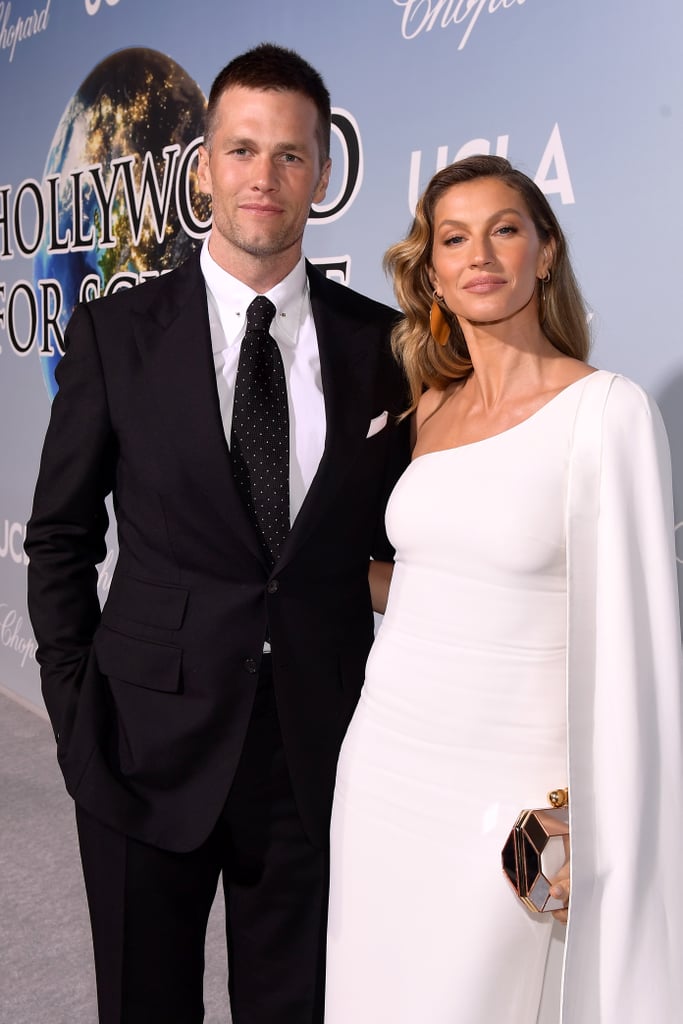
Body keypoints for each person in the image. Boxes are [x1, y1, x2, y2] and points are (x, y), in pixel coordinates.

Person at [24, 43, 409, 1024]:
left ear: (321, 173)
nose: (263, 177)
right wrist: (78, 727)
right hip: (140, 751)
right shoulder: (117, 336)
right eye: (241, 149)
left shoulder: (380, 347)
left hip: (315, 764)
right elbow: (61, 538)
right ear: (202, 165)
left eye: (289, 155)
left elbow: (405, 552)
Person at [324, 154, 683, 1023]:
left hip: (509, 804)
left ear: (545, 253)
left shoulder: (606, 412)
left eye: (505, 229)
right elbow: (423, 587)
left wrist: (587, 821)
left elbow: (639, 646)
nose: (479, 253)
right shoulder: (428, 408)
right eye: (454, 237)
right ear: (433, 272)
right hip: (382, 771)